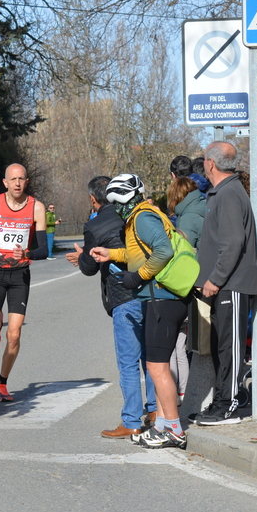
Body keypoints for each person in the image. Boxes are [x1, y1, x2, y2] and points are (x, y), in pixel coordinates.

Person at [90, 174, 190, 449]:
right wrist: (111, 255)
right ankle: (162, 425)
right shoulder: (139, 217)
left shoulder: (143, 217)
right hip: (160, 298)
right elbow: (137, 254)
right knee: (155, 366)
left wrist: (139, 277)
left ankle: (174, 429)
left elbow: (163, 251)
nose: (115, 208)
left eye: (115, 202)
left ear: (124, 198)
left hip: (163, 298)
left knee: (158, 368)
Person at [69, 175, 157, 439]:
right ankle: (155, 411)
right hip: (152, 293)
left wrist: (82, 254)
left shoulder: (95, 226)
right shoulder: (139, 214)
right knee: (151, 358)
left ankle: (131, 419)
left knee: (128, 362)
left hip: (123, 297)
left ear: (93, 200)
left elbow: (88, 268)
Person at [193, 141, 257, 426]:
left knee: (229, 347)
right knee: (221, 347)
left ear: (210, 163)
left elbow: (233, 242)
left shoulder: (229, 193)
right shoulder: (222, 192)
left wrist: (215, 279)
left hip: (231, 284)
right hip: (223, 284)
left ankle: (228, 404)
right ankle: (223, 400)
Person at [0, 163, 49, 402]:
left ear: (27, 182)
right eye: (12, 179)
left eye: (21, 179)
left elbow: (44, 249)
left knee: (14, 336)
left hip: (19, 276)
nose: (17, 183)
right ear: (5, 182)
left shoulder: (37, 208)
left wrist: (27, 255)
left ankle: (2, 382)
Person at [167, 171, 205, 403]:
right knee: (181, 345)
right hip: (202, 284)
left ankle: (177, 393)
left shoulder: (188, 219)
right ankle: (184, 390)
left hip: (189, 288)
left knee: (173, 347)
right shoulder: (203, 209)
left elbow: (185, 255)